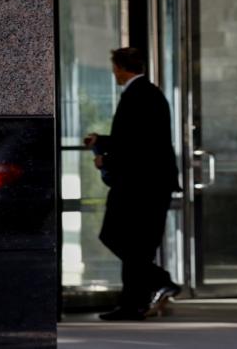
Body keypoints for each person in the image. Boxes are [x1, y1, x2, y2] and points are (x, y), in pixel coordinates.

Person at [84, 47, 182, 321]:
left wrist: (107, 159)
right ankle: (135, 304)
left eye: (114, 67)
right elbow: (139, 138)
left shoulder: (137, 95)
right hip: (150, 183)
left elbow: (135, 144)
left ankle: (157, 285)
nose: (113, 72)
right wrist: (102, 141)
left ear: (121, 68)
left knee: (116, 236)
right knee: (136, 245)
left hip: (139, 185)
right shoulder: (150, 93)